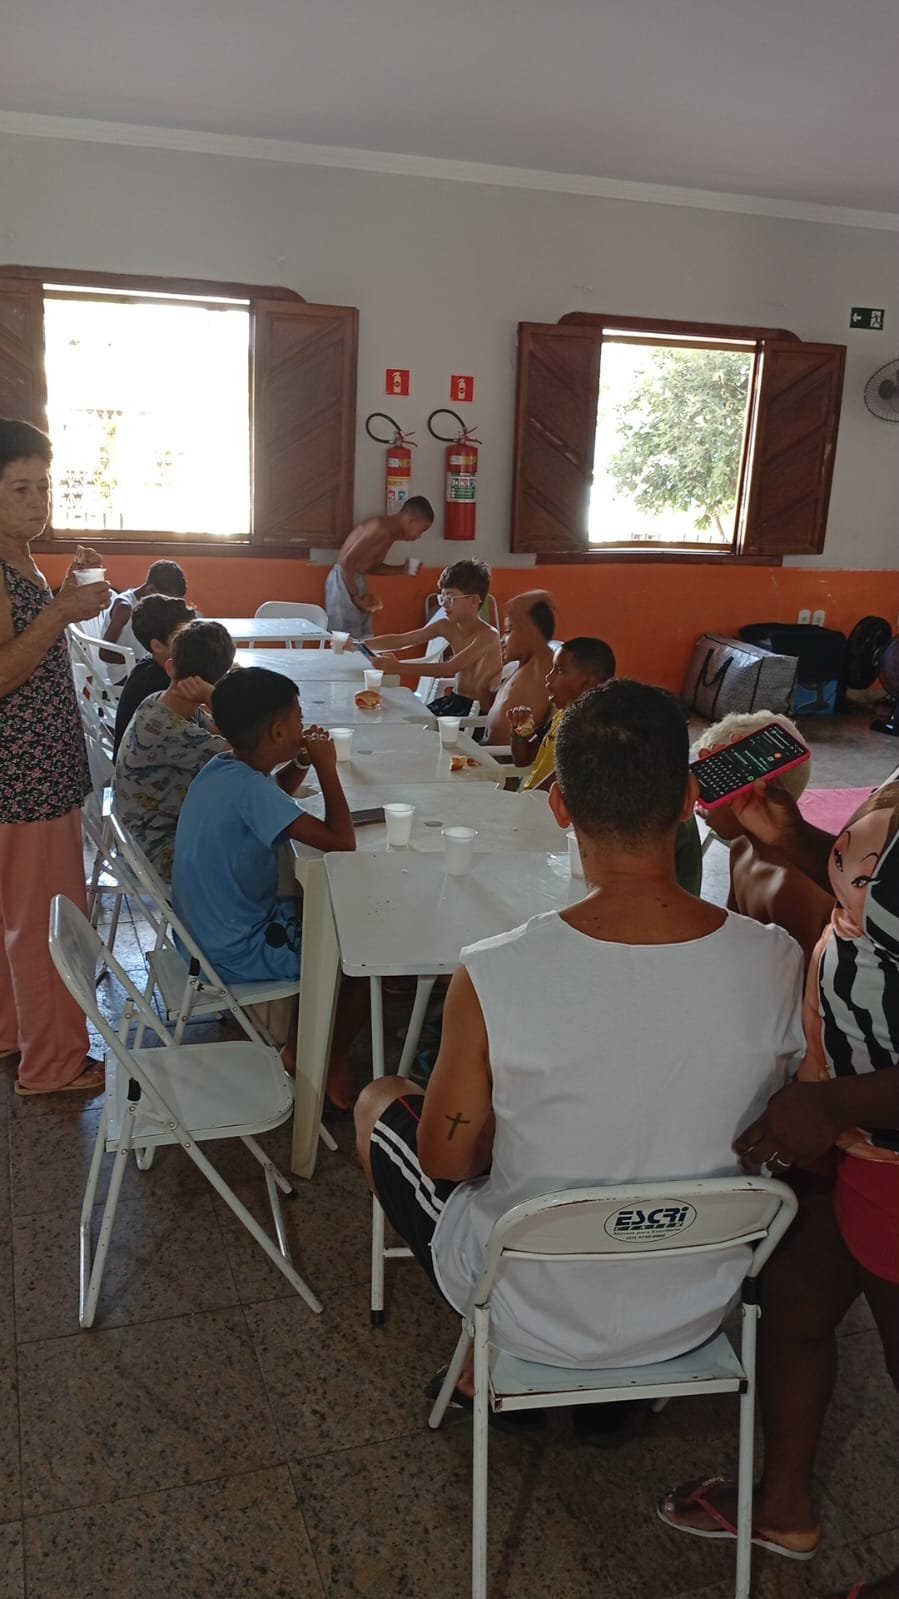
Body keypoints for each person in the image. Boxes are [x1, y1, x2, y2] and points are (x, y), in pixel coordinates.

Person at [354, 681, 804, 1386]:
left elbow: (445, 1159)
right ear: (689, 799)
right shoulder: (778, 960)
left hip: (527, 1304)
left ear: (559, 805)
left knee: (379, 1099)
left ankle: (480, 1364)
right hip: (695, 1306)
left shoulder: (492, 970)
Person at [659, 777, 899, 1598]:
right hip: (846, 1127)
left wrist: (830, 1104)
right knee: (792, 1306)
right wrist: (791, 838)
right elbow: (874, 900)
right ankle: (783, 1503)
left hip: (879, 1144)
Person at [172, 666, 363, 1105]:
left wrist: (300, 762)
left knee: (324, 911)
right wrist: (326, 767)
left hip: (200, 934)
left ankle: (307, 1036)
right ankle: (316, 1055)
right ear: (278, 731)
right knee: (355, 958)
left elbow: (272, 792)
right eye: (298, 718)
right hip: (235, 950)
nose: (303, 725)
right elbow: (341, 841)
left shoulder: (224, 767)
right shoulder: (249, 790)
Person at [0, 417, 111, 1096]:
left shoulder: (20, 558)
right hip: (27, 775)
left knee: (18, 916)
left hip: (31, 770)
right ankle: (54, 1064)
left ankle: (16, 1033)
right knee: (49, 921)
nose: (38, 501)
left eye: (43, 486)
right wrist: (60, 611)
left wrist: (63, 594)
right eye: (20, 488)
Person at [693, 711, 827, 964]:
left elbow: (804, 978)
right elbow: (733, 930)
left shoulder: (790, 886)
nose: (697, 802)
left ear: (756, 794)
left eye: (711, 787)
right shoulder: (741, 846)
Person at [114, 619, 235, 881]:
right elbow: (252, 754)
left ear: (170, 667)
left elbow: (220, 730)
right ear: (221, 677)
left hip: (140, 836)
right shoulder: (173, 731)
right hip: (156, 851)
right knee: (257, 847)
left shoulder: (158, 702)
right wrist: (214, 699)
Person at [370, 559, 502, 716]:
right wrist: (358, 644)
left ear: (474, 600)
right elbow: (402, 640)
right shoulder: (446, 626)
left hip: (476, 712)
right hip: (454, 700)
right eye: (442, 597)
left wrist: (397, 667)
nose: (444, 604)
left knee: (409, 722)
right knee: (397, 715)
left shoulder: (488, 635)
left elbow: (449, 668)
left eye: (450, 598)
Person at [511, 635, 616, 791]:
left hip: (542, 803)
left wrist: (522, 801)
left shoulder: (590, 732)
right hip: (531, 797)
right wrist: (518, 731)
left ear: (588, 683)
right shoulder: (561, 715)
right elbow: (523, 759)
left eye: (559, 670)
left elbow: (556, 784)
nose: (548, 677)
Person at [324, 498, 434, 638]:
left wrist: (402, 569)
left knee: (363, 639)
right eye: (421, 530)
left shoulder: (389, 534)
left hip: (356, 581)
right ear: (411, 520)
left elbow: (370, 567)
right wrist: (355, 597)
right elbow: (347, 563)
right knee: (344, 639)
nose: (419, 537)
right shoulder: (380, 528)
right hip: (344, 581)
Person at [112, 593, 196, 758]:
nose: (193, 641)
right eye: (182, 636)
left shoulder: (154, 664)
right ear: (157, 646)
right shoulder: (157, 682)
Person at [483, 590, 556, 744]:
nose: (502, 640)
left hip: (503, 757)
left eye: (509, 631)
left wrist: (515, 606)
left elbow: (541, 595)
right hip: (487, 749)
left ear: (530, 632)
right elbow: (490, 707)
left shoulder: (541, 664)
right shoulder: (522, 666)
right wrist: (486, 679)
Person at [102, 559, 188, 664]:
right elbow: (104, 653)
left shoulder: (152, 604)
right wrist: (141, 662)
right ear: (151, 589)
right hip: (126, 671)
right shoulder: (124, 608)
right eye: (167, 600)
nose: (169, 606)